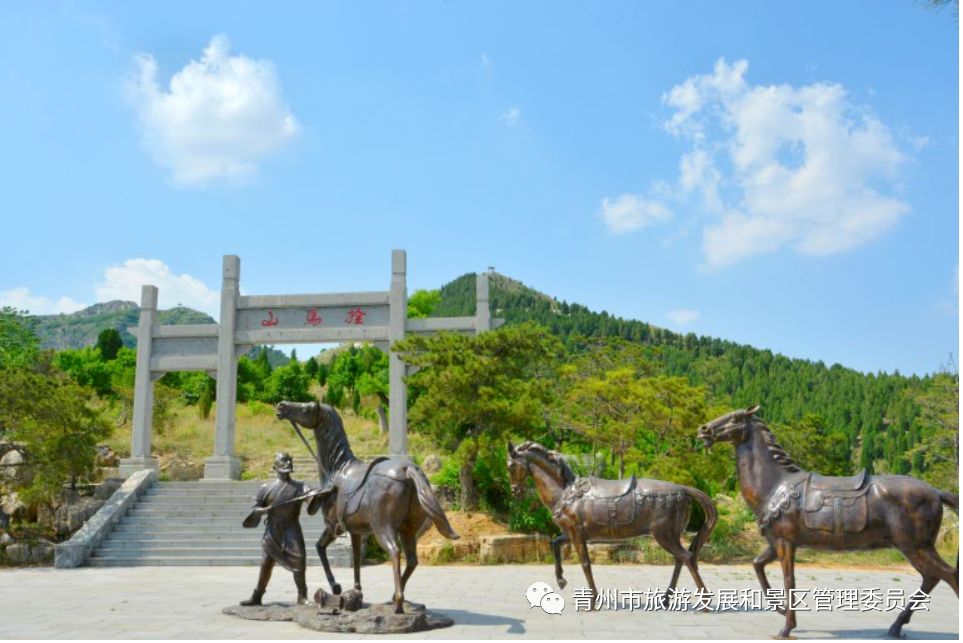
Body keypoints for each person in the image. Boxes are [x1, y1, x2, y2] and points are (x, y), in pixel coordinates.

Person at [239, 452, 327, 606]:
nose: (287, 463)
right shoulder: (266, 488)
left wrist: (317, 496)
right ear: (275, 466)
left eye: (289, 460)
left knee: (300, 562)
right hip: (272, 531)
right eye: (283, 461)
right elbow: (254, 510)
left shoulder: (300, 486)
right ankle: (257, 596)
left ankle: (302, 596)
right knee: (266, 562)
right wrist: (263, 510)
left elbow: (312, 505)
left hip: (291, 529)